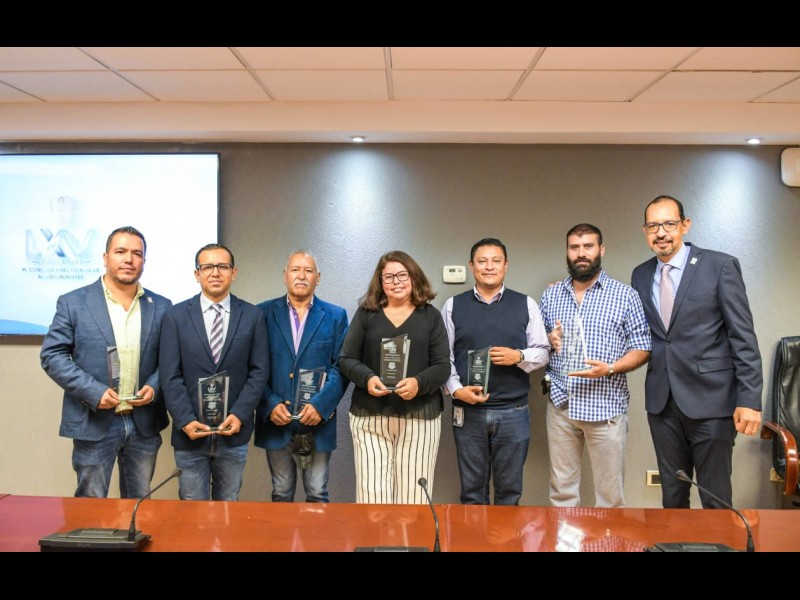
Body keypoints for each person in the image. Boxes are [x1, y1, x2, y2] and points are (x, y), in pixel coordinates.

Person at [631, 195, 762, 509]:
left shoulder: (719, 266)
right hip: (662, 404)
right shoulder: (640, 274)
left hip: (712, 401)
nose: (661, 233)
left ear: (685, 225)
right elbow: (639, 332)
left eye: (669, 224)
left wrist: (749, 400)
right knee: (673, 496)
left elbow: (743, 336)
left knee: (714, 496)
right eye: (653, 226)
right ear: (645, 231)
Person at [40, 226, 172, 498]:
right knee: (91, 502)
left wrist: (155, 386)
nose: (129, 259)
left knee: (139, 504)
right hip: (94, 420)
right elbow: (52, 355)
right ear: (105, 257)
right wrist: (93, 391)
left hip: (143, 422)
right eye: (120, 251)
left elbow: (171, 358)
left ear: (144, 261)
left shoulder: (161, 306)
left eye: (137, 253)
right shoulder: (73, 302)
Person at [539, 223, 651, 508]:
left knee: (610, 497)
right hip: (561, 406)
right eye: (574, 247)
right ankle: (566, 538)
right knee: (562, 493)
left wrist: (610, 369)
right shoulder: (551, 295)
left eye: (588, 246)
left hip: (605, 408)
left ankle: (608, 538)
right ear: (567, 252)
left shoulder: (625, 296)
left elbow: (642, 347)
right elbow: (538, 342)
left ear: (601, 250)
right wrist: (550, 339)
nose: (581, 253)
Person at [441, 237, 550, 505]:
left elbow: (543, 351)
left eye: (496, 261)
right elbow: (443, 357)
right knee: (472, 493)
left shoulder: (526, 304)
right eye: (482, 261)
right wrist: (456, 391)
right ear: (471, 265)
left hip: (513, 412)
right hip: (468, 412)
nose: (489, 266)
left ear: (506, 265)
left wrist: (519, 356)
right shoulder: (453, 306)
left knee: (509, 493)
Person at [338, 250, 450, 504]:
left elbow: (443, 367)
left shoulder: (431, 316)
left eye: (402, 275)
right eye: (388, 277)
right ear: (380, 281)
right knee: (372, 497)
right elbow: (346, 359)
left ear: (413, 277)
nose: (396, 282)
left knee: (414, 498)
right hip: (370, 418)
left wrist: (418, 383)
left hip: (419, 417)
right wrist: (367, 378)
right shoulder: (366, 314)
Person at [159, 243, 268, 501]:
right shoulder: (175, 317)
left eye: (222, 266)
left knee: (228, 506)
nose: (215, 272)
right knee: (192, 509)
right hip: (190, 434)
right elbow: (169, 375)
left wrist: (239, 415)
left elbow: (259, 372)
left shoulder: (253, 316)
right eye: (207, 267)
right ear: (197, 274)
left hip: (233, 433)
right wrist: (185, 420)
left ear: (234, 272)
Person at [255, 250, 349, 503]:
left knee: (318, 493)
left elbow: (341, 367)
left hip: (318, 421)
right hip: (276, 420)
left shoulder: (335, 316)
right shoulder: (262, 313)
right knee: (281, 492)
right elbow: (254, 367)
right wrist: (269, 404)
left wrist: (320, 406)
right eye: (295, 270)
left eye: (308, 270)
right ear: (284, 275)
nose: (301, 275)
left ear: (318, 278)